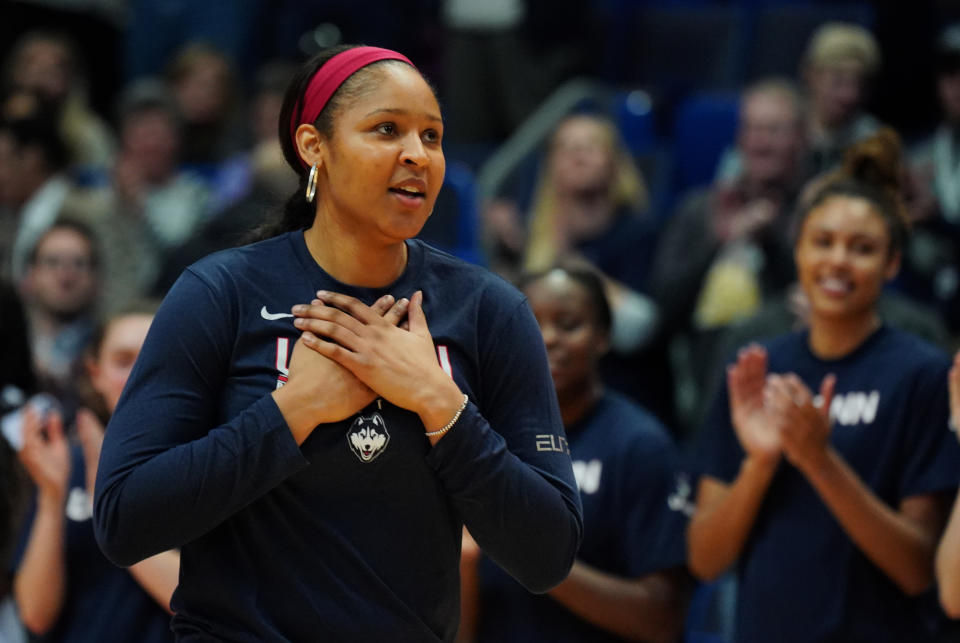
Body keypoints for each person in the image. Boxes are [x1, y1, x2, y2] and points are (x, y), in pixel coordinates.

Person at [92, 45, 582, 642]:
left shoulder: (491, 312)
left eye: (433, 136)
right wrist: (293, 413)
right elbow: (124, 521)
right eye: (387, 130)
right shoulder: (219, 293)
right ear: (312, 146)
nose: (417, 155)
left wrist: (439, 404)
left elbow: (549, 555)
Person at [687, 128, 960, 642]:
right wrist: (762, 461)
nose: (837, 261)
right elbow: (705, 559)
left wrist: (819, 459)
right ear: (799, 252)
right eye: (823, 242)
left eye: (862, 248)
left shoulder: (921, 374)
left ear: (892, 264)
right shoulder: (755, 370)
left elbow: (918, 569)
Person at [460, 265, 691, 643]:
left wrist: (537, 560)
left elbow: (663, 619)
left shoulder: (640, 445)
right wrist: (466, 566)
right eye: (531, 323)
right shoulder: (479, 440)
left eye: (568, 324)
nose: (548, 338)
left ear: (602, 337)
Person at [13, 302, 178, 642]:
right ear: (95, 374)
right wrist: (52, 496)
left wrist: (110, 503)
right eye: (122, 360)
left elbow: (193, 602)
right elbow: (34, 616)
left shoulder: (211, 461)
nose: (139, 374)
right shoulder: (64, 465)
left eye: (154, 355)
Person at [19, 219, 100, 409]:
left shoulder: (106, 349)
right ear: (29, 276)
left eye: (78, 264)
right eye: (52, 262)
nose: (66, 276)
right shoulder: (10, 345)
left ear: (96, 279)